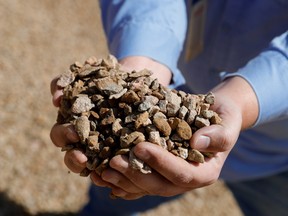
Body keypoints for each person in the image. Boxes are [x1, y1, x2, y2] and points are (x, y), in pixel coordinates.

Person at [50, 0, 288, 215]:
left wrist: (241, 100)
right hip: (171, 95)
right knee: (113, 192)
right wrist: (142, 63)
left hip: (275, 153)